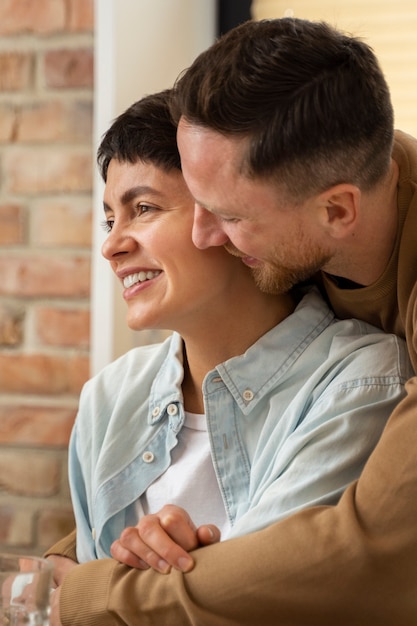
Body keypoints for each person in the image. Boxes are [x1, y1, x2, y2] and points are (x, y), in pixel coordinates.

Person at [45, 17, 417, 625]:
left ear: (337, 211)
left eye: (226, 215)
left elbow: (365, 555)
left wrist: (93, 592)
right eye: (109, 218)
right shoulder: (313, 178)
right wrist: (88, 561)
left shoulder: (361, 376)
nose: (205, 231)